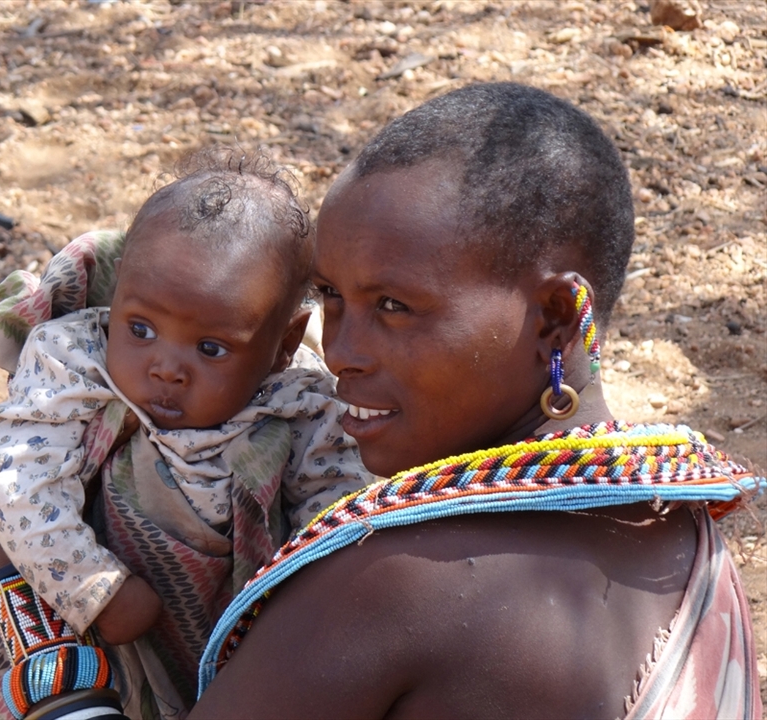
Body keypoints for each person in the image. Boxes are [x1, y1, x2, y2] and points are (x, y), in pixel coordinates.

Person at [191, 83, 763, 719]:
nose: (340, 351)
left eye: (393, 306)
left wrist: (64, 677)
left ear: (555, 318)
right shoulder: (680, 530)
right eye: (329, 294)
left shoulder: (394, 581)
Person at [0, 151, 372, 720]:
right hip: (71, 651)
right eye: (141, 328)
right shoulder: (76, 363)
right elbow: (22, 484)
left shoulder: (304, 407)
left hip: (229, 659)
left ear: (283, 343)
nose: (165, 368)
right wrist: (94, 589)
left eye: (210, 349)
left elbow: (338, 517)